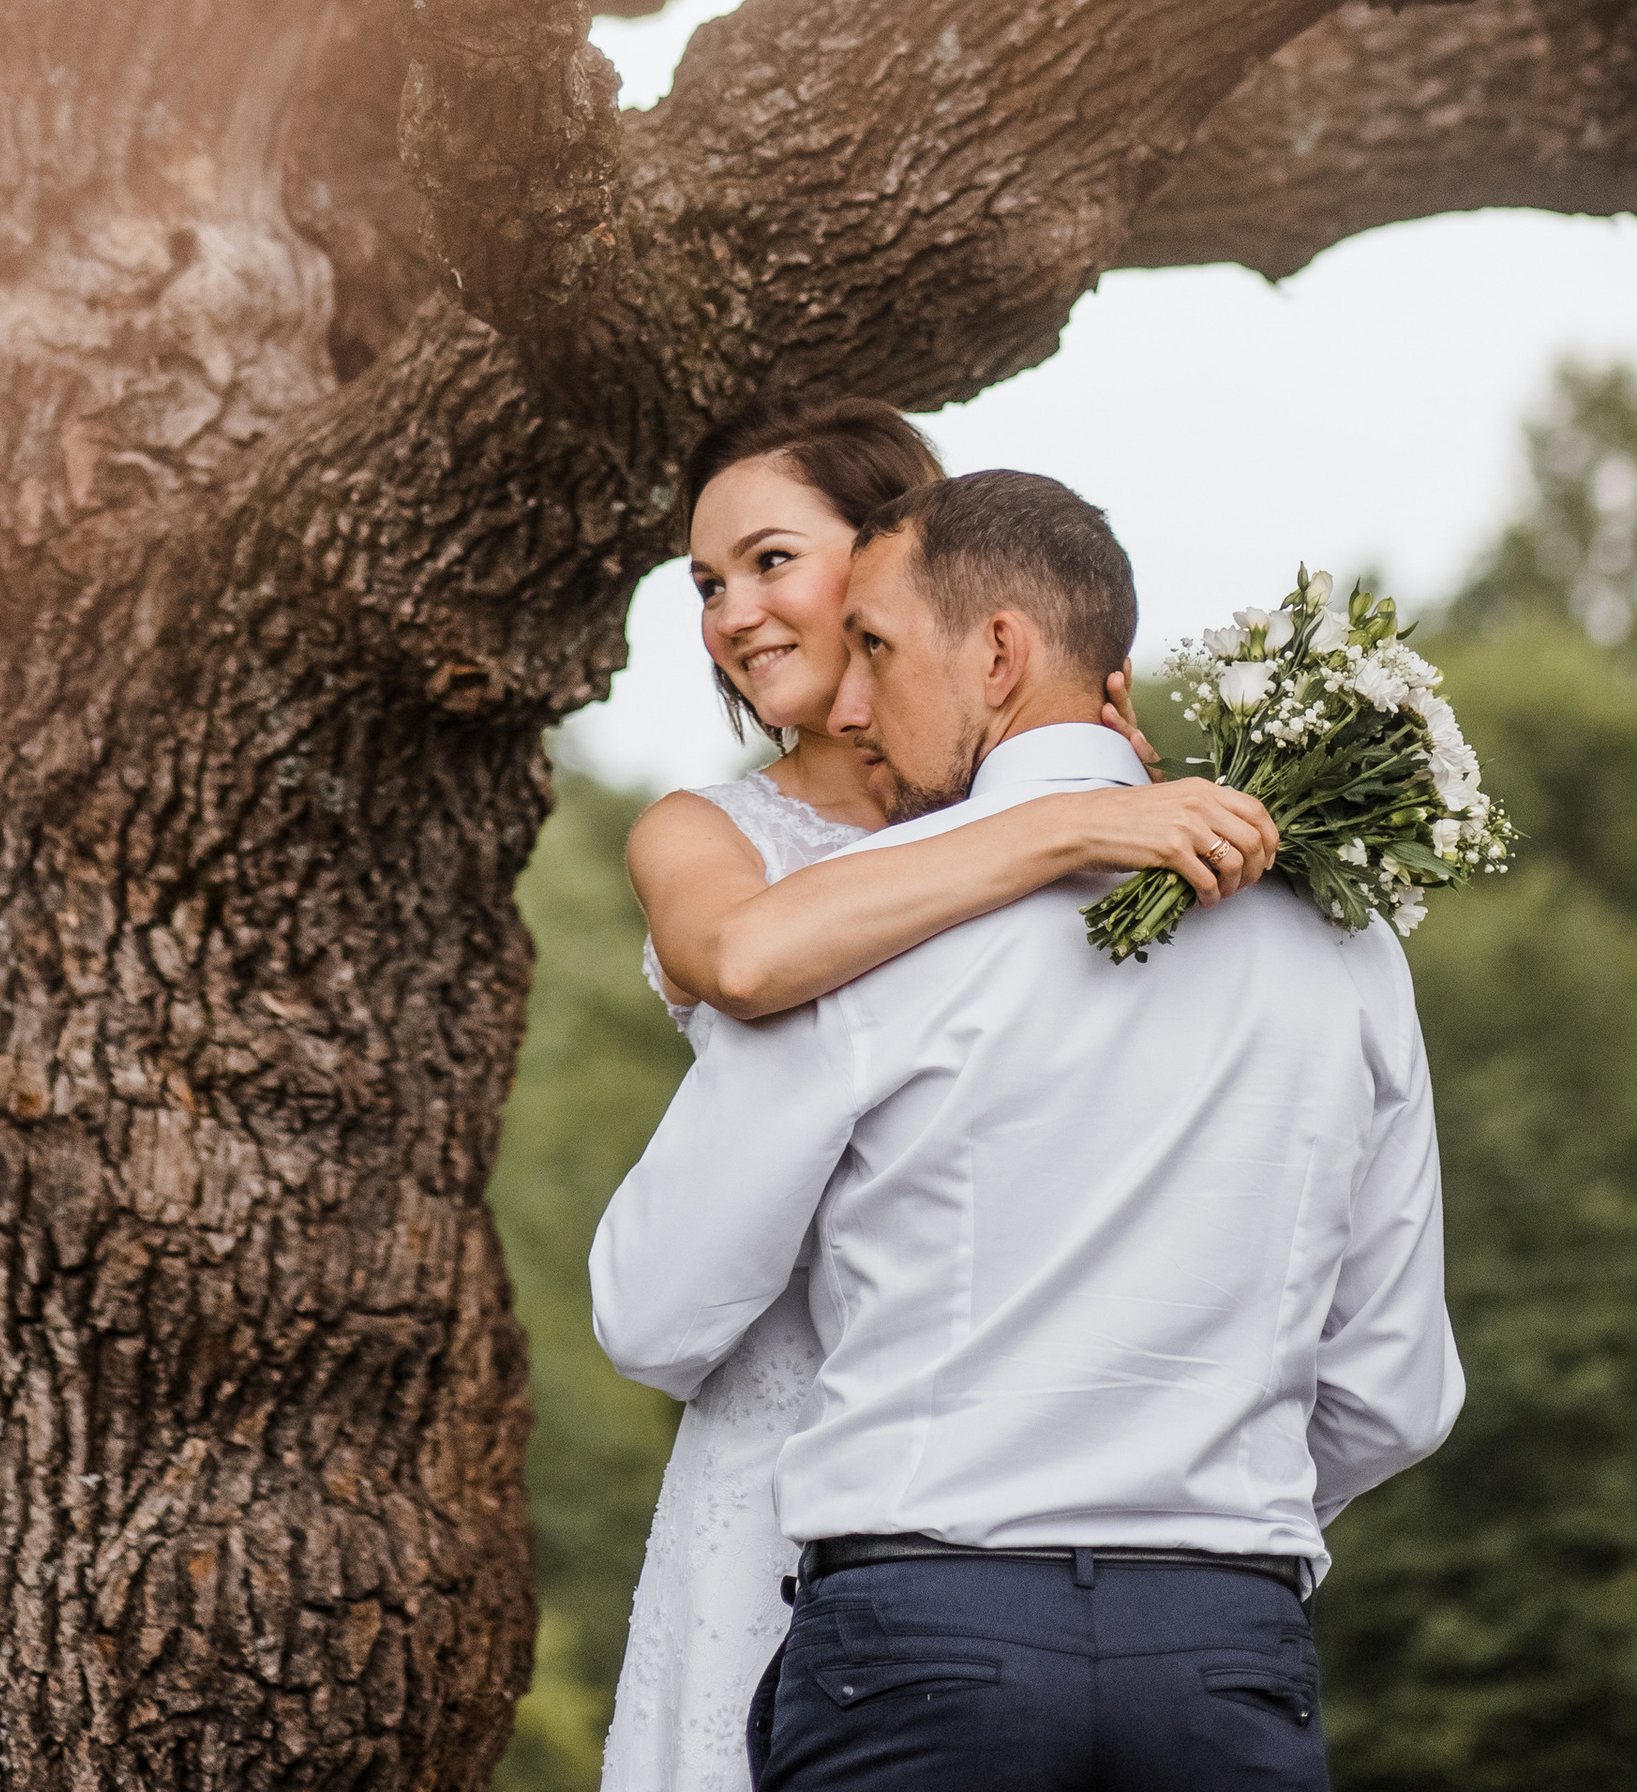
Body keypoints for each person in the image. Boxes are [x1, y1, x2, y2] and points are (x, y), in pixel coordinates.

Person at [593, 468, 1464, 1792]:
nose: (857, 702)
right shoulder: (1342, 944)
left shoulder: (871, 928)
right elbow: (1398, 1392)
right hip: (1224, 1652)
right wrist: (1190, 1503)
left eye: (876, 649)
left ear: (998, 653)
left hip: (921, 1652)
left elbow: (652, 1314)